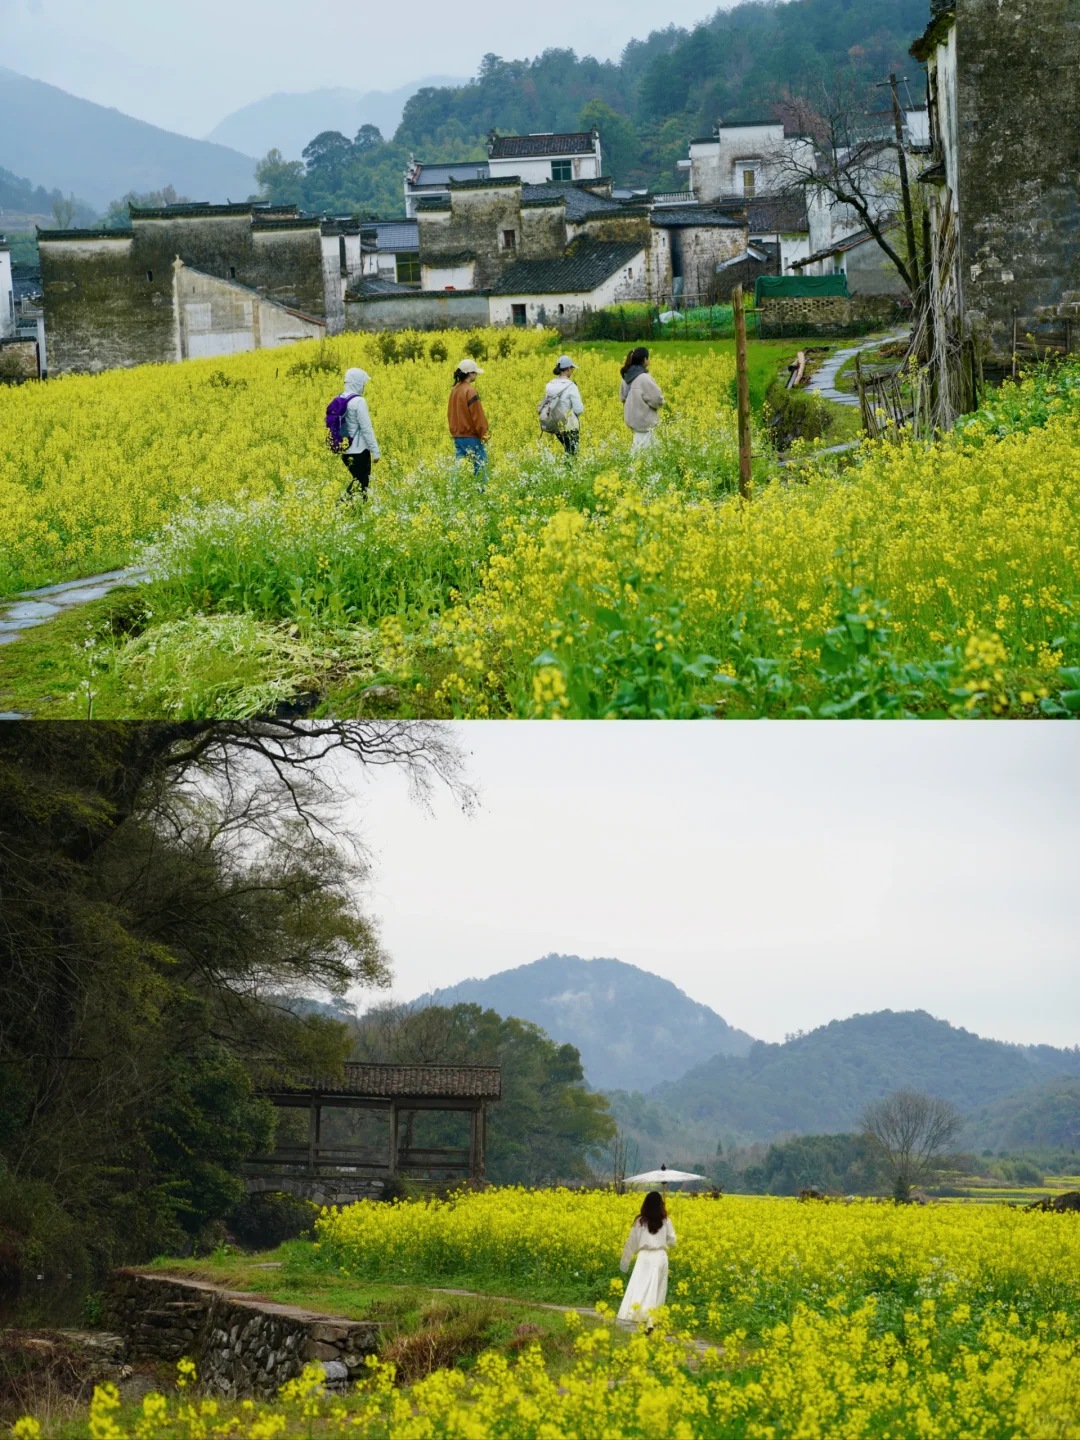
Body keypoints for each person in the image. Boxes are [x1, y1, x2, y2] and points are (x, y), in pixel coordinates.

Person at [617, 1190, 676, 1330]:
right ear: (661, 1204)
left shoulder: (640, 1221)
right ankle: (652, 1320)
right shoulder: (666, 1220)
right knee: (657, 1289)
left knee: (641, 1287)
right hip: (660, 1256)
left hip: (644, 1257)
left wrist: (625, 1262)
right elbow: (672, 1242)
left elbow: (632, 1242)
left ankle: (638, 1315)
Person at [338, 368, 381, 499]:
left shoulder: (340, 399)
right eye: (362, 383)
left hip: (345, 451)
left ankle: (352, 513)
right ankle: (340, 510)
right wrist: (376, 451)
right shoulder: (359, 401)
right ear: (357, 383)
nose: (363, 386)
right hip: (359, 451)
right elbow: (366, 428)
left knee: (358, 483)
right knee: (361, 485)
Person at [448, 357, 490, 480]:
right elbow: (478, 416)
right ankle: (482, 493)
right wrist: (484, 434)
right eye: (475, 372)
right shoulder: (470, 391)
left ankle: (452, 490)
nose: (476, 374)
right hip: (470, 436)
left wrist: (454, 431)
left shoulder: (454, 390)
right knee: (480, 465)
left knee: (459, 465)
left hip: (457, 435)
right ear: (470, 374)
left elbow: (450, 413)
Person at [619, 347, 665, 451]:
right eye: (648, 358)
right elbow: (657, 399)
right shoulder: (644, 378)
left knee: (637, 457)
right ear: (645, 360)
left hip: (635, 426)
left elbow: (622, 397)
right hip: (646, 426)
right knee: (648, 459)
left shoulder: (626, 377)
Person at [540, 355, 584, 458]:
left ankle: (566, 471)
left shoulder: (549, 385)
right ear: (568, 369)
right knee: (572, 454)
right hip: (569, 425)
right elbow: (578, 409)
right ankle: (569, 472)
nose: (572, 370)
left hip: (556, 425)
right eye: (572, 368)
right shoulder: (571, 386)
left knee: (568, 451)